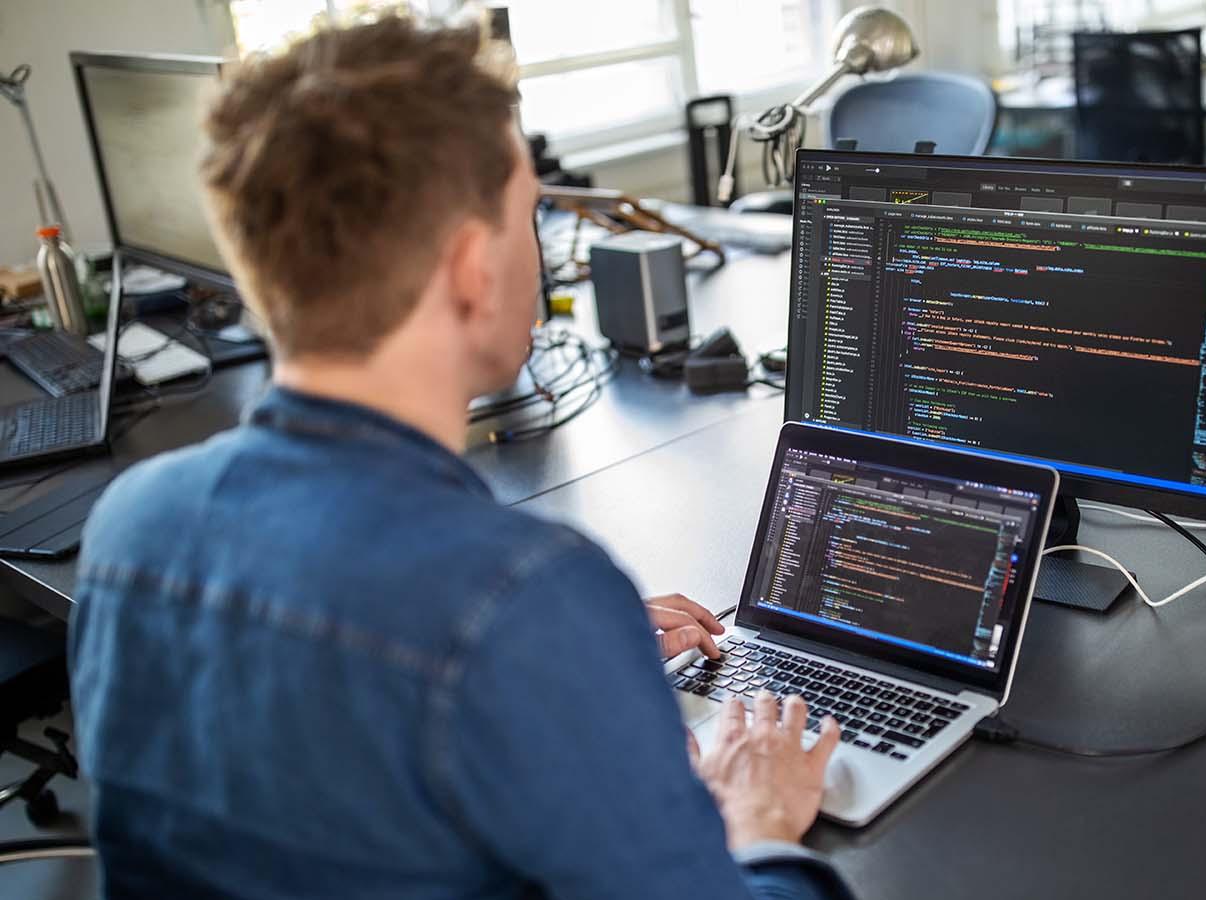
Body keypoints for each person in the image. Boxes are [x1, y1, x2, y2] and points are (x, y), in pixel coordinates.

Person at [68, 14, 851, 899]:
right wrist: (756, 826)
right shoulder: (523, 595)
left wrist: (563, 662)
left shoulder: (131, 525)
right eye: (533, 216)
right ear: (474, 267)